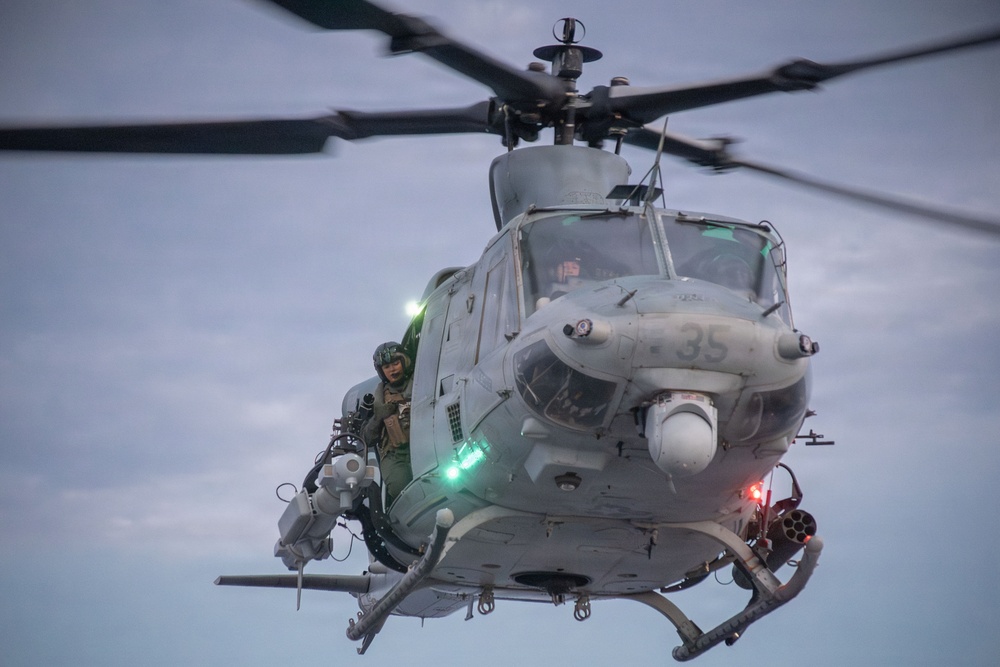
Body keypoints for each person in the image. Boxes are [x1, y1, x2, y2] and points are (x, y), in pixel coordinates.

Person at [361, 341, 414, 507]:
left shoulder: (422, 381)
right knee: (400, 488)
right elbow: (367, 438)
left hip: (425, 443)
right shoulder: (379, 399)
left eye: (395, 363)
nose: (392, 370)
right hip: (396, 455)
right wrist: (378, 417)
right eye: (387, 367)